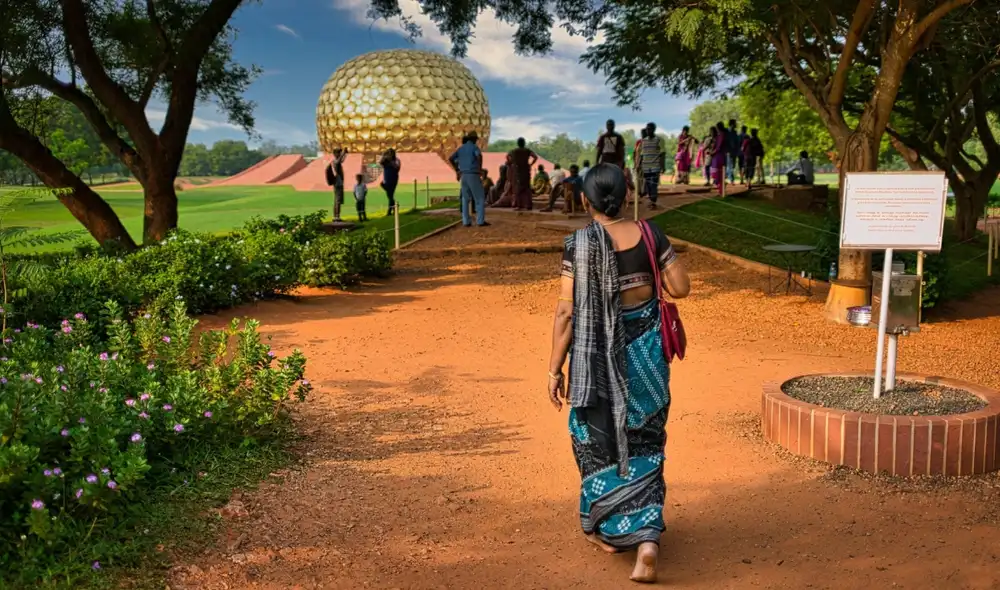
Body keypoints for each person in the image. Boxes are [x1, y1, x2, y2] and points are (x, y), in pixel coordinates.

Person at [547, 163, 690, 584]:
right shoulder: (651, 235)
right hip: (646, 360)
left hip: (594, 366)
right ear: (626, 195)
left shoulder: (579, 245)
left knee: (592, 439)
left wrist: (554, 369)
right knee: (645, 438)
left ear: (586, 201)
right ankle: (647, 540)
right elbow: (681, 288)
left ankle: (607, 525)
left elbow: (566, 313)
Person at [448, 131, 489, 227]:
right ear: (474, 139)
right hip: (473, 174)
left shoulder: (461, 148)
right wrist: (479, 169)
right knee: (479, 198)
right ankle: (480, 221)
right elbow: (479, 156)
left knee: (465, 199)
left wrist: (457, 170)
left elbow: (451, 158)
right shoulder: (474, 147)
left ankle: (466, 221)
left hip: (464, 175)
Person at [508, 137, 538, 210]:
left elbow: (507, 156)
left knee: (518, 189)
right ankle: (529, 205)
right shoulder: (527, 151)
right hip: (526, 171)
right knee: (527, 188)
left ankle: (519, 205)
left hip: (518, 171)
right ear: (524, 143)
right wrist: (530, 164)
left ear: (518, 143)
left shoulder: (514, 151)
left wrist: (511, 162)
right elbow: (535, 157)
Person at [639, 122, 664, 209]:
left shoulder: (659, 140)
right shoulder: (644, 141)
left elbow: (662, 153)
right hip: (645, 167)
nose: (647, 130)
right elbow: (642, 154)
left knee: (653, 185)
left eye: (649, 129)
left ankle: (653, 202)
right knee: (648, 185)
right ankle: (651, 200)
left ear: (653, 129)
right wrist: (639, 165)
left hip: (655, 166)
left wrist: (662, 165)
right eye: (647, 129)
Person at [325, 147, 348, 222]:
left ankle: (336, 216)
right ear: (335, 154)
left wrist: (345, 154)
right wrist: (343, 153)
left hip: (339, 182)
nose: (340, 154)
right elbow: (338, 161)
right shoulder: (335, 161)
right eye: (339, 152)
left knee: (337, 200)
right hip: (338, 183)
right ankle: (336, 216)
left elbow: (342, 160)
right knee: (338, 200)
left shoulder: (337, 161)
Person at [379, 149, 401, 216]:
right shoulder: (386, 160)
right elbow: (380, 162)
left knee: (390, 194)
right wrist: (383, 154)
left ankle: (390, 211)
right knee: (390, 195)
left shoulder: (396, 160)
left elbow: (397, 168)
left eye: (391, 153)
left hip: (393, 179)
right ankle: (394, 208)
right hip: (387, 179)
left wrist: (391, 161)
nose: (390, 155)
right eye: (389, 153)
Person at [709, 126, 726, 193]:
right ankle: (720, 189)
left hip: (718, 158)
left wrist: (712, 152)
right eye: (710, 132)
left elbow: (718, 148)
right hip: (715, 157)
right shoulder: (714, 138)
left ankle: (721, 190)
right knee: (716, 175)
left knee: (718, 174)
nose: (711, 133)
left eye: (712, 132)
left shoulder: (719, 137)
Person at [725, 119, 740, 184]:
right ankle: (731, 180)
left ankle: (726, 178)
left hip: (734, 151)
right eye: (735, 123)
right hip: (729, 151)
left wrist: (737, 150)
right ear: (732, 124)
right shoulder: (727, 132)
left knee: (732, 166)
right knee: (730, 166)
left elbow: (737, 142)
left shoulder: (735, 132)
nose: (736, 124)